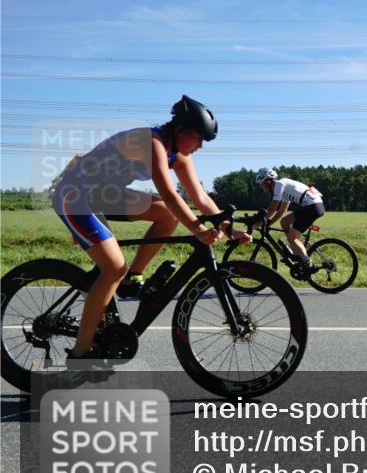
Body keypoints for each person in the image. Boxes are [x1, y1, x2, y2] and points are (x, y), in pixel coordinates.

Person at [53, 95, 251, 361]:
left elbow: (201, 198)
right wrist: (197, 229)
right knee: (113, 266)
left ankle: (132, 278)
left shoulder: (178, 156)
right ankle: (80, 355)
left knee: (166, 216)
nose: (201, 146)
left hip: (104, 195)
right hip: (75, 194)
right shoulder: (151, 141)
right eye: (199, 138)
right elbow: (170, 193)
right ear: (180, 129)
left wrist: (228, 228)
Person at [254, 168, 325, 273]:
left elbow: (273, 208)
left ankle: (308, 264)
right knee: (284, 222)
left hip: (313, 207)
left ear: (268, 181)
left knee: (293, 238)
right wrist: (268, 223)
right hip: (315, 206)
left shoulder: (279, 185)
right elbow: (282, 210)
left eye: (261, 184)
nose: (260, 187)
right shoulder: (284, 186)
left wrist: (260, 222)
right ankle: (296, 253)